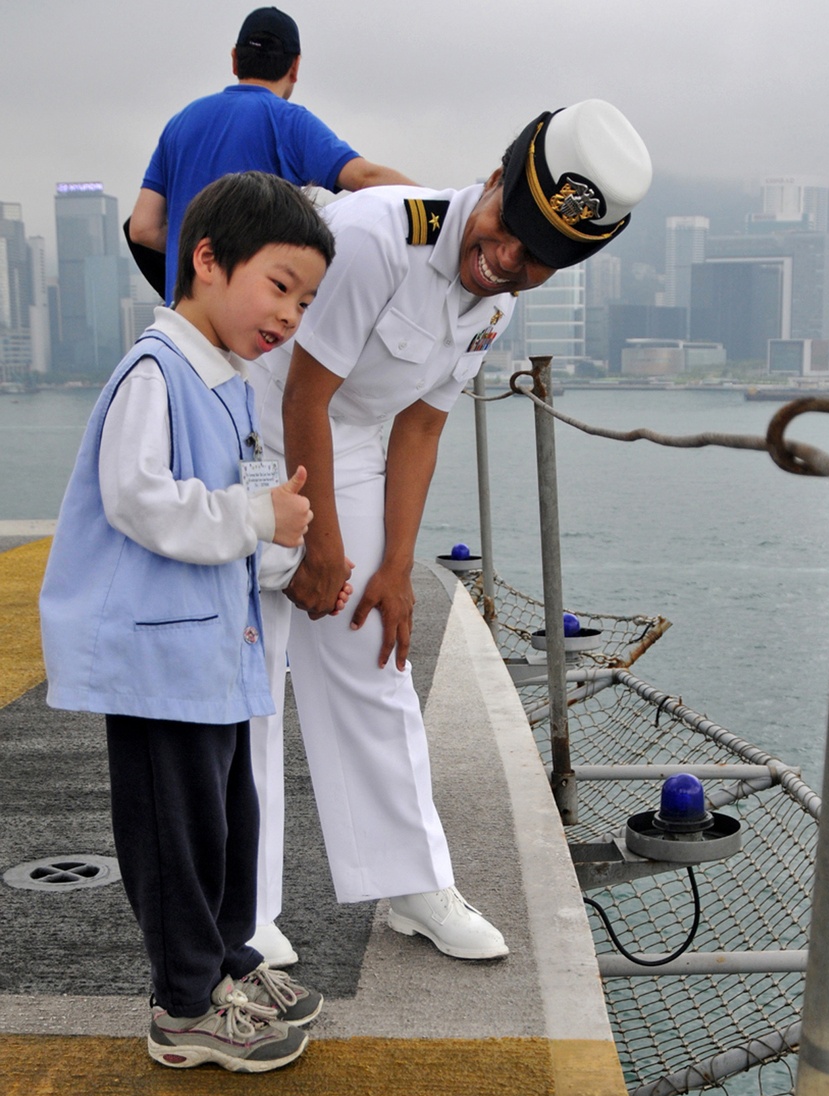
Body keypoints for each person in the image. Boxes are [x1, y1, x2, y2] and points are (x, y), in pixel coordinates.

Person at [246, 101, 652, 967]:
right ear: (497, 179)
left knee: (375, 652)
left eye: (539, 259)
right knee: (249, 666)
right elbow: (302, 394)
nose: (508, 259)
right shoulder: (377, 235)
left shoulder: (498, 302)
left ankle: (412, 885)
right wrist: (318, 549)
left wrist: (393, 569)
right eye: (511, 229)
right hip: (251, 433)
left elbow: (421, 429)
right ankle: (244, 910)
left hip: (347, 442)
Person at [39, 172, 335, 1073]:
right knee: (174, 831)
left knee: (226, 820)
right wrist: (256, 518)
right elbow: (140, 500)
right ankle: (181, 1005)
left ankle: (226, 963)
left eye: (306, 301)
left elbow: (231, 507)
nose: (290, 316)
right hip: (158, 659)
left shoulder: (228, 382)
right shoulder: (155, 372)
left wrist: (274, 527)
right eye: (279, 287)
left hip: (209, 651)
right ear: (206, 261)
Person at [127, 6, 411, 302]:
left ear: (235, 60)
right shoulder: (288, 122)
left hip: (183, 319)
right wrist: (452, 207)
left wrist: (190, 249)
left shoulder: (180, 123)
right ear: (295, 67)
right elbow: (364, 177)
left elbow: (143, 229)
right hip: (251, 328)